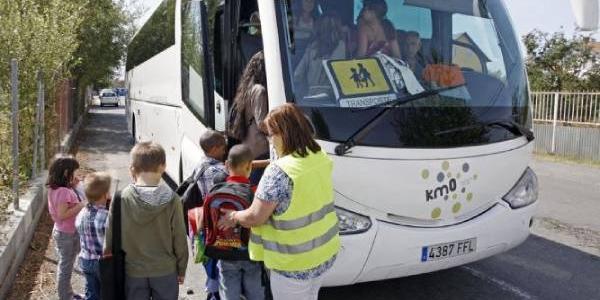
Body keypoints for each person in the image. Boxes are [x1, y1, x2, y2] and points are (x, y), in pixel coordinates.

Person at [219, 103, 341, 300]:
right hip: (324, 253)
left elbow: (255, 217)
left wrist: (233, 216)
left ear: (283, 134)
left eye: (269, 134)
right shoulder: (318, 154)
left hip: (293, 264)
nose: (268, 139)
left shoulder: (278, 173)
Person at [104, 142, 188, 299]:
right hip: (165, 271)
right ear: (163, 167)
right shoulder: (173, 199)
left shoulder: (120, 198)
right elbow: (180, 238)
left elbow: (110, 234)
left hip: (133, 271)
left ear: (132, 169)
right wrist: (181, 268)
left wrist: (107, 258)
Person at [215, 144, 265, 300]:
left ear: (226, 165)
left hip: (224, 249)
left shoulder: (216, 189)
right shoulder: (254, 192)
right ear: (250, 167)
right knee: (254, 284)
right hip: (249, 251)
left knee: (229, 285)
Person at [193, 130, 229, 300]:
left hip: (204, 221)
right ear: (215, 148)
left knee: (210, 260)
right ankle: (216, 294)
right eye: (223, 148)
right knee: (219, 261)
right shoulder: (219, 171)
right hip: (218, 223)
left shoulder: (200, 164)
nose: (224, 151)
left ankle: (212, 290)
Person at [227, 51, 270, 185]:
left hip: (248, 143)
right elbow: (262, 123)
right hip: (260, 147)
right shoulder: (259, 90)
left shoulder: (246, 88)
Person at [47, 155, 85, 300]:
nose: (77, 175)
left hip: (65, 232)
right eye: (75, 172)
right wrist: (81, 205)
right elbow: (63, 214)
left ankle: (68, 293)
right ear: (66, 173)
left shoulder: (56, 188)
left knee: (67, 264)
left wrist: (73, 186)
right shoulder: (63, 192)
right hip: (67, 235)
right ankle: (65, 296)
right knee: (66, 267)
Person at [75, 172, 112, 300]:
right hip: (102, 263)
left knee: (92, 291)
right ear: (105, 195)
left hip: (85, 259)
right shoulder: (106, 216)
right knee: (107, 292)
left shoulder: (82, 213)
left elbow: (78, 228)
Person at [294, 13, 347, 98]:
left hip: (310, 98)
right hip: (332, 97)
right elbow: (339, 77)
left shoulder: (312, 47)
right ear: (337, 28)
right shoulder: (341, 46)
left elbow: (297, 75)